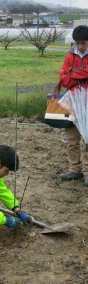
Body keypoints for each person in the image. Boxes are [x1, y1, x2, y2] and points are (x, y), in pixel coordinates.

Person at [59, 25, 88, 186]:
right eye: (78, 43)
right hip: (73, 101)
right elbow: (63, 77)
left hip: (87, 102)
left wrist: (73, 73)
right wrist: (80, 74)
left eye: (83, 43)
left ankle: (87, 171)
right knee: (72, 138)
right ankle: (74, 169)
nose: (80, 46)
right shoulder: (70, 55)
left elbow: (69, 75)